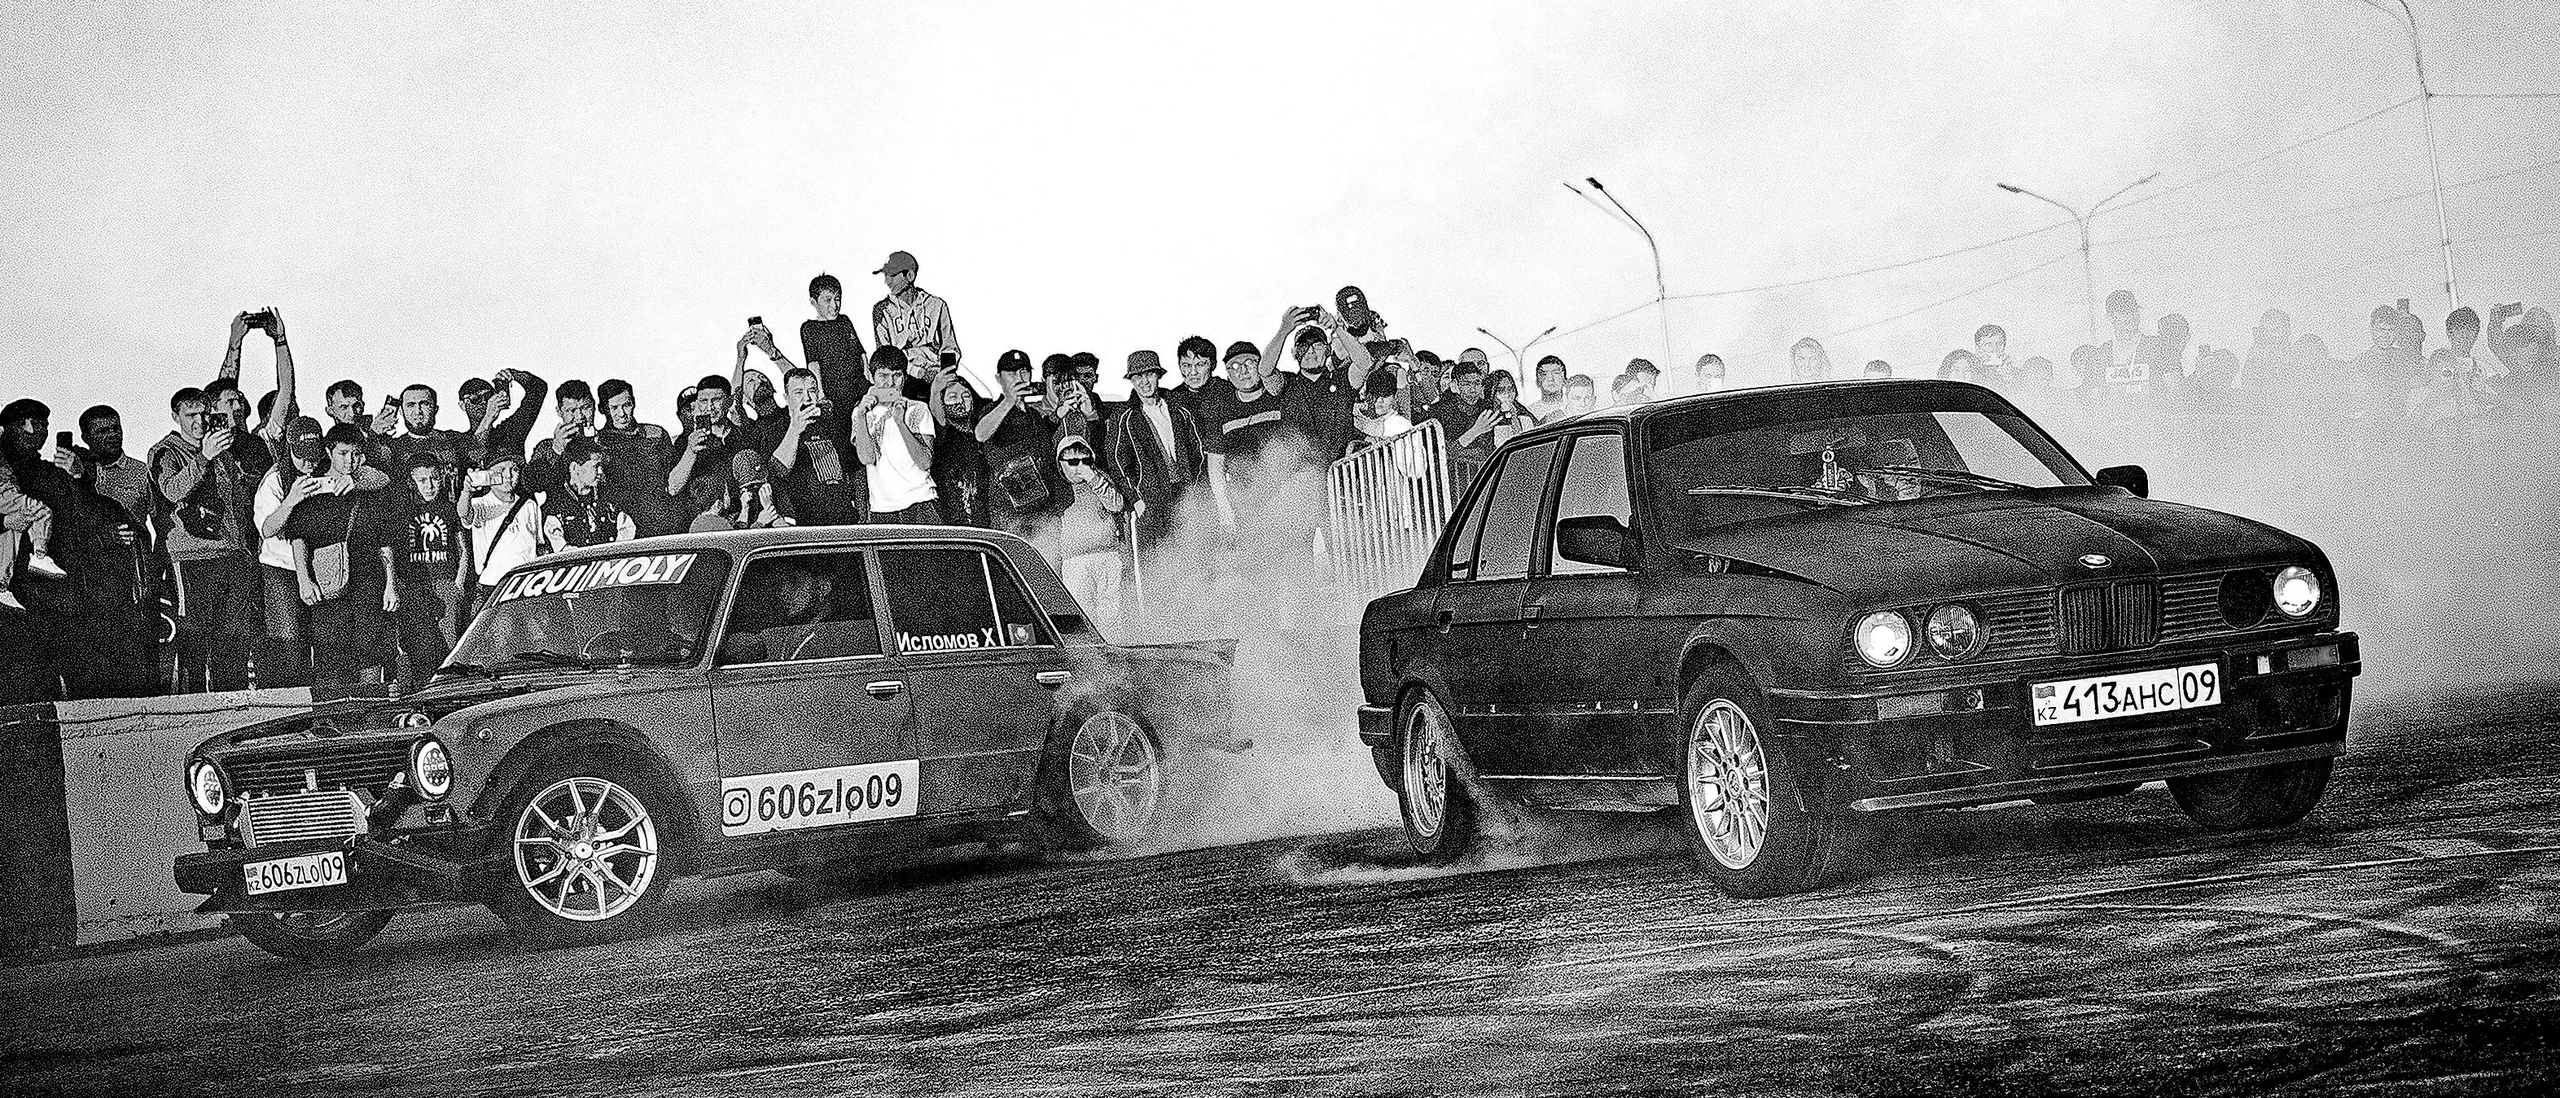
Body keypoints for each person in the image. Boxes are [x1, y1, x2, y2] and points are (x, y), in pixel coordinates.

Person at [2, 398, 154, 699]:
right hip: (15, 591)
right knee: (24, 687)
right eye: (26, 424)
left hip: (59, 591)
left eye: (42, 424)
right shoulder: (9, 473)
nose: (37, 431)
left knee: (76, 682)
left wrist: (111, 530)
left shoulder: (50, 472)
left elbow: (86, 514)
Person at [150, 386, 260, 693]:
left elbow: (238, 503)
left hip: (232, 555)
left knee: (234, 637)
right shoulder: (165, 451)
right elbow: (171, 490)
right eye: (191, 415)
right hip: (191, 557)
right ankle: (193, 707)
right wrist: (204, 456)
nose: (199, 421)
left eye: (204, 413)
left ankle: (235, 705)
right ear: (176, 417)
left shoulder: (223, 452)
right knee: (193, 637)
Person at [283, 425, 401, 690]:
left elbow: (385, 542)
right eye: (343, 453)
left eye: (356, 454)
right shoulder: (313, 489)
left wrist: (390, 585)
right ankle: (332, 722)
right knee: (329, 658)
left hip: (368, 583)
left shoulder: (369, 488)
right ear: (329, 452)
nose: (350, 461)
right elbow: (298, 539)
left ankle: (371, 716)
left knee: (370, 654)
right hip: (329, 586)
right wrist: (303, 579)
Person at [1106, 349, 1206, 558]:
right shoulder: (1124, 417)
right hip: (1151, 500)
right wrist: (1137, 499)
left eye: (1149, 374)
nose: (1144, 382)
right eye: (1137, 376)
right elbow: (1117, 462)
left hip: (1186, 493)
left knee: (1196, 555)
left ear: (1158, 375)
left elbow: (1198, 450)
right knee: (1159, 561)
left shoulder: (1180, 408)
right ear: (1131, 380)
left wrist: (1196, 490)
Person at [390, 451, 469, 691]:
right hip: (414, 586)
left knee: (451, 647)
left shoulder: (449, 508)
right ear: (411, 482)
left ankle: (452, 694)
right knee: (418, 646)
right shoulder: (402, 511)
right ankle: (419, 697)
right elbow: (391, 550)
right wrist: (398, 585)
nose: (430, 485)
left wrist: (459, 583)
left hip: (445, 583)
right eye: (422, 480)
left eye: (434, 478)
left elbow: (463, 549)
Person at [976, 351, 1068, 546]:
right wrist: (1009, 400)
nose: (1019, 378)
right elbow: (981, 434)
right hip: (1012, 512)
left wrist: (1063, 410)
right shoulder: (991, 409)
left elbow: (1043, 437)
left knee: (1048, 565)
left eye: (1024, 371)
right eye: (1011, 373)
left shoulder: (1033, 414)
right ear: (998, 378)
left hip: (1043, 506)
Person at [850, 347, 941, 523]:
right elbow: (867, 458)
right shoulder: (860, 413)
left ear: (904, 377)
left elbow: (925, 462)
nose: (890, 382)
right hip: (881, 509)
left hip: (920, 502)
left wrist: (900, 422)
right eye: (883, 376)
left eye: (897, 375)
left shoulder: (918, 408)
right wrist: (861, 415)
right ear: (871, 377)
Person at [768, 367, 865, 525]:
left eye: (812, 391)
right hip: (804, 525)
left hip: (845, 520)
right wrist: (795, 429)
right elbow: (779, 470)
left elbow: (856, 470)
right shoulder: (777, 430)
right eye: (798, 392)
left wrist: (861, 515)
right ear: (786, 398)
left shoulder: (834, 426)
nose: (807, 399)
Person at [594, 378, 682, 536]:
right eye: (614, 408)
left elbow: (674, 479)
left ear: (633, 403)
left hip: (663, 523)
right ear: (603, 409)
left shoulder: (657, 434)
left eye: (626, 405)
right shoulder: (597, 444)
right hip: (624, 529)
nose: (622, 414)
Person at [1052, 435, 1126, 623]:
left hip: (1107, 556)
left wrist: (1094, 479)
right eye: (1073, 461)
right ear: (1061, 464)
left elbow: (1116, 505)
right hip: (1075, 562)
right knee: (1083, 617)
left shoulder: (1100, 479)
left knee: (1111, 616)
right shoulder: (1059, 487)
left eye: (1086, 461)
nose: (1080, 467)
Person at [870, 250, 957, 400]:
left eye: (892, 276)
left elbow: (949, 347)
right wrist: (920, 373)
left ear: (909, 275)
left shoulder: (936, 305)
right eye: (886, 276)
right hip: (904, 376)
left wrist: (944, 374)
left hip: (937, 372)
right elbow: (885, 355)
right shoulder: (882, 310)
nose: (887, 282)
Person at [666, 375, 747, 527]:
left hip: (743, 522)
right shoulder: (686, 441)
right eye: (704, 401)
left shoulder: (744, 435)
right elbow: (673, 488)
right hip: (703, 526)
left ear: (729, 402)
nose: (710, 407)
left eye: (716, 400)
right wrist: (691, 452)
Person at [463, 454, 544, 603]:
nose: (508, 475)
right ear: (488, 474)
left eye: (514, 469)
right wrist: (467, 491)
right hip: (493, 584)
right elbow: (465, 514)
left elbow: (538, 545)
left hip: (526, 582)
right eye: (500, 470)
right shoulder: (480, 504)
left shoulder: (529, 505)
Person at [797, 272, 870, 432]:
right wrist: (821, 396)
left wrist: (869, 381)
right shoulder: (810, 328)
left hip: (859, 387)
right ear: (813, 302)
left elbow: (861, 354)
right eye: (827, 300)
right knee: (846, 434)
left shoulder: (844, 321)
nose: (835, 305)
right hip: (835, 393)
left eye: (838, 299)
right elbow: (813, 363)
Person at [386, 383, 483, 499]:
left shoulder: (454, 440)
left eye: (424, 404)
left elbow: (480, 449)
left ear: (435, 409)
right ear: (401, 411)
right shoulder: (393, 447)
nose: (418, 411)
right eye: (411, 405)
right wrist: (375, 433)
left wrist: (490, 414)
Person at [541, 439, 637, 549]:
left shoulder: (612, 497)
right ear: (575, 468)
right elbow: (560, 548)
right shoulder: (554, 506)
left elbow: (627, 531)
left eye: (601, 466)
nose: (600, 471)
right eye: (595, 466)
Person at [927, 365, 992, 528]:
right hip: (956, 522)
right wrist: (935, 390)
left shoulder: (983, 432)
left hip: (988, 518)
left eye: (966, 395)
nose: (960, 401)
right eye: (952, 396)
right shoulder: (941, 435)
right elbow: (938, 418)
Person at [74, 404, 150, 526]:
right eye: (103, 431)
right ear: (86, 437)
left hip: (131, 542)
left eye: (116, 428)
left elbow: (163, 522)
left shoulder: (142, 472)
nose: (113, 435)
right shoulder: (76, 470)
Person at [524, 379, 597, 496]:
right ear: (559, 412)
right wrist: (556, 450)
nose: (580, 416)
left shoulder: (607, 441)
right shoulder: (547, 447)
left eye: (586, 407)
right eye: (571, 410)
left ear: (594, 406)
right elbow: (530, 484)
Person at [461, 368, 547, 463]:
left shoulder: (511, 432)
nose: (484, 402)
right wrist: (488, 417)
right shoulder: (457, 441)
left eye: (487, 396)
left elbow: (538, 388)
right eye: (475, 398)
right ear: (462, 405)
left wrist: (513, 375)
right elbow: (472, 456)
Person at [1164, 335, 1227, 417]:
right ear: (1179, 366)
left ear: (1213, 365)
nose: (1193, 372)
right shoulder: (1172, 399)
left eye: (1200, 365)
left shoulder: (1227, 391)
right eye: (1186, 365)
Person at [1529, 355, 1569, 419]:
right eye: (1544, 374)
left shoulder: (1575, 406)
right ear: (1537, 382)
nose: (1550, 379)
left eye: (1556, 373)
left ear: (1565, 380)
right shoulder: (1531, 412)